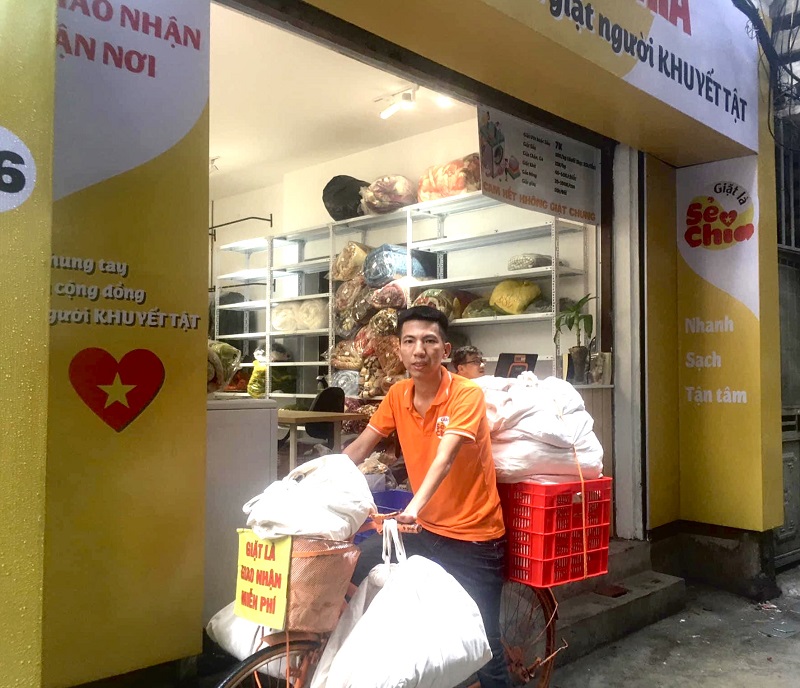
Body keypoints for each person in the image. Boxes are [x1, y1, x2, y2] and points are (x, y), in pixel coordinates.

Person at [344, 306, 510, 688]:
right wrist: (316, 480)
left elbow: (444, 458)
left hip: (473, 539)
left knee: (484, 643)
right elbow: (362, 446)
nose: (419, 350)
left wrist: (413, 507)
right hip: (424, 531)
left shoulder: (465, 394)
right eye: (410, 341)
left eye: (429, 341)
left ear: (445, 350)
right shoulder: (398, 394)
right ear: (400, 350)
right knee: (353, 568)